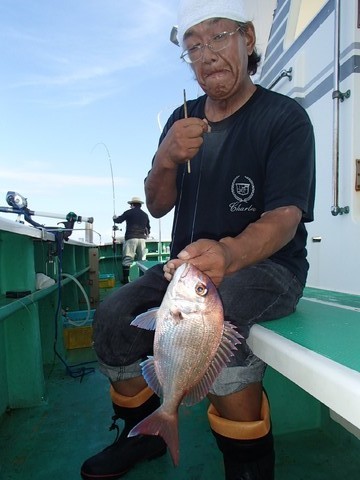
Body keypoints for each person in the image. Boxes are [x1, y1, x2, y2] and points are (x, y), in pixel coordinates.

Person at [81, 0, 315, 479]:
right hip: (186, 273)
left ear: (248, 39)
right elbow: (158, 204)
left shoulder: (284, 117)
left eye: (218, 37)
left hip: (269, 267)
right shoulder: (181, 117)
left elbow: (286, 218)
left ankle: (248, 467)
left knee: (217, 324)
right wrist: (165, 157)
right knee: (113, 316)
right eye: (193, 46)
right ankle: (139, 434)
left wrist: (228, 252)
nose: (205, 54)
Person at [113, 196, 151, 284]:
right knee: (142, 260)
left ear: (132, 205)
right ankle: (143, 280)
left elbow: (118, 220)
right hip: (142, 239)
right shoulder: (145, 215)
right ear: (140, 205)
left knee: (127, 259)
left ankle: (126, 280)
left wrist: (114, 218)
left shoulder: (129, 212)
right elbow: (148, 228)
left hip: (131, 238)